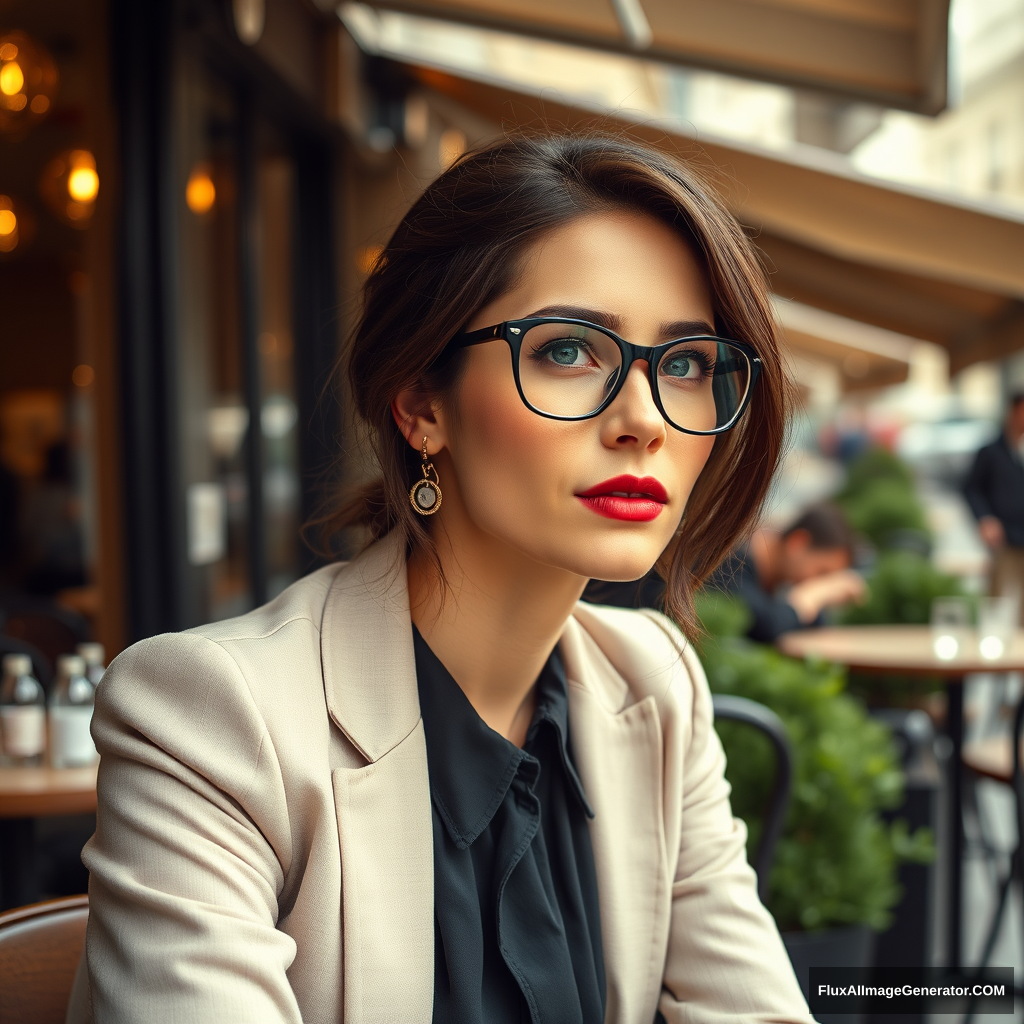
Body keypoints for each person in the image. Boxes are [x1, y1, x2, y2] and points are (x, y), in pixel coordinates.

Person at [69, 134, 812, 1023]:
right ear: (422, 403)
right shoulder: (216, 718)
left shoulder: (652, 687)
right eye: (569, 351)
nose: (645, 420)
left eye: (687, 363)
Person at [715, 502, 865, 643]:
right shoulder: (729, 561)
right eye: (822, 572)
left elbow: (814, 631)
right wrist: (811, 596)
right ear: (798, 543)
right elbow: (764, 627)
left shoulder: (776, 579)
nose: (821, 584)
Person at [964, 393, 1024, 614]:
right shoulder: (991, 452)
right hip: (1004, 537)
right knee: (998, 600)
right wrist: (985, 518)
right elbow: (972, 489)